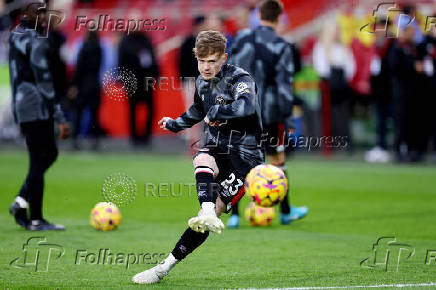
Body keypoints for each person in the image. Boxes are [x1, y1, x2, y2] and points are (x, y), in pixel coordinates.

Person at [132, 30, 264, 284]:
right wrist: (175, 123)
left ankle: (168, 263)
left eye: (212, 61)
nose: (206, 66)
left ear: (224, 58)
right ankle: (164, 266)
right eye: (202, 61)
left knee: (209, 217)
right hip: (218, 146)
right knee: (202, 157)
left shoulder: (241, 79)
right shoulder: (202, 82)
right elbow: (196, 110)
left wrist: (218, 110)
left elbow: (246, 105)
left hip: (246, 157)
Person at [228, 0, 308, 227]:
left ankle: (233, 216)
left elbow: (230, 73)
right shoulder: (283, 45)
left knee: (240, 161)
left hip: (243, 110)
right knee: (277, 161)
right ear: (279, 17)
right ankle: (286, 212)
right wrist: (289, 118)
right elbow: (284, 85)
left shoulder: (243, 39)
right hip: (271, 112)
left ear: (259, 15)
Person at [8, 0, 69, 231]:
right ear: (26, 12)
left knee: (49, 153)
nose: (44, 16)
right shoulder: (36, 39)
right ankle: (35, 219)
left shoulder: (16, 34)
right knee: (38, 158)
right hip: (37, 105)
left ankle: (21, 201)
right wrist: (60, 116)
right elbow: (44, 81)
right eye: (39, 12)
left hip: (22, 104)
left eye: (45, 12)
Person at [118, 31, 159, 147]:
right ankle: (134, 138)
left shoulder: (146, 39)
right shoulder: (125, 41)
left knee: (151, 110)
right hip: (132, 82)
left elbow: (153, 59)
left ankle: (146, 137)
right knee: (132, 111)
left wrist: (155, 76)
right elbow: (121, 61)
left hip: (147, 81)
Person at [69, 30, 102, 150]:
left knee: (79, 114)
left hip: (83, 86)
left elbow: (79, 68)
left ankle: (75, 140)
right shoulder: (99, 48)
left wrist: (73, 84)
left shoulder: (84, 48)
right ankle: (95, 141)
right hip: (95, 85)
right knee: (95, 115)